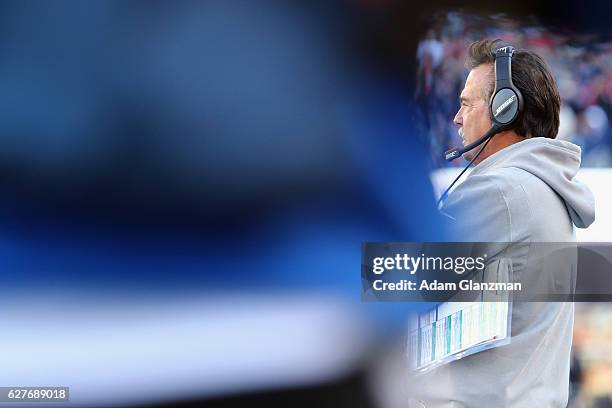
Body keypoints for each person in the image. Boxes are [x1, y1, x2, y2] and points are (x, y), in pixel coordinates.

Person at [409, 39, 595, 407]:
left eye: (465, 103)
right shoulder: (538, 187)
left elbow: (394, 277)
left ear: (504, 109)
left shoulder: (503, 191)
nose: (457, 118)